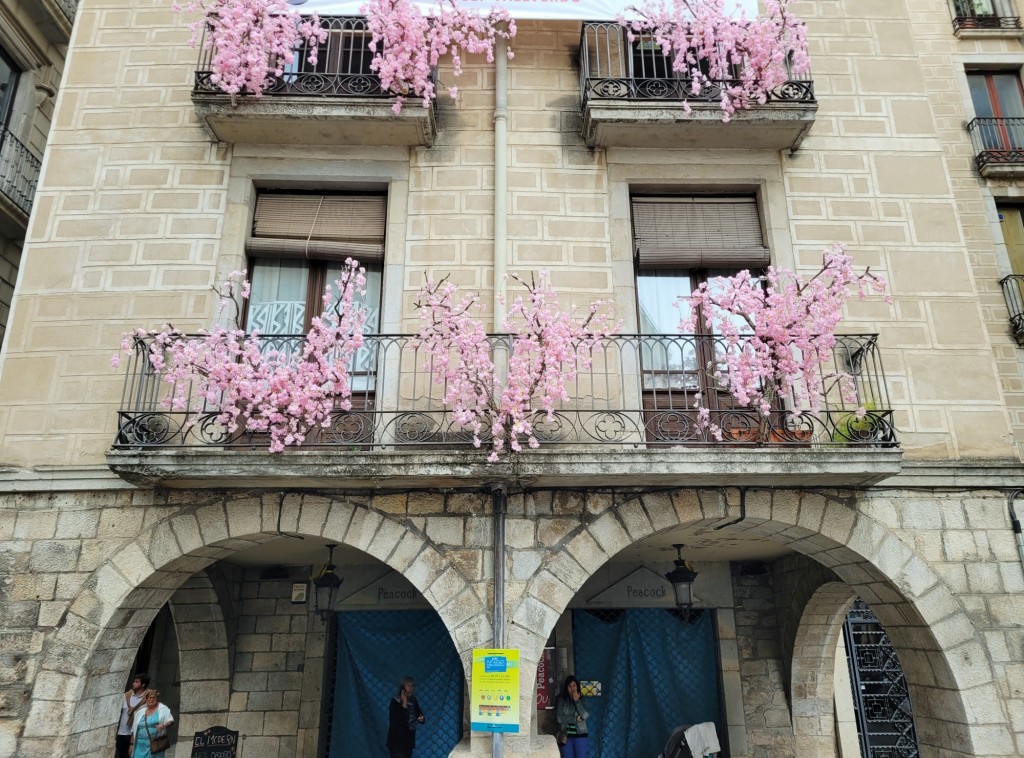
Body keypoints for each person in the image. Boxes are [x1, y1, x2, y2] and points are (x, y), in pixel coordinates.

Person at [386, 675, 426, 758]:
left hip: (409, 739)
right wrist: (404, 704)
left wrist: (421, 718)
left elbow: (419, 714)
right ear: (403, 687)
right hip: (397, 739)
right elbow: (395, 720)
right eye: (408, 685)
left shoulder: (413, 700)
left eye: (412, 685)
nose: (411, 688)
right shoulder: (395, 701)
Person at [128, 690, 174, 758]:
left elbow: (171, 721)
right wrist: (131, 745)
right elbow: (134, 730)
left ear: (157, 699)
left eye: (153, 697)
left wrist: (163, 725)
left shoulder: (163, 709)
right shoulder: (140, 712)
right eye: (149, 697)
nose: (151, 699)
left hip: (155, 745)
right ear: (146, 699)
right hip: (139, 745)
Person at [115, 673, 149, 758]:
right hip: (122, 733)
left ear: (143, 684)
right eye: (134, 681)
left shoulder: (147, 699)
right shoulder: (126, 696)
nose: (133, 684)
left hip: (137, 735)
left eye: (136, 682)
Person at [556, 675, 589, 758]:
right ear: (566, 688)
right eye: (570, 686)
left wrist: (577, 701)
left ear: (577, 686)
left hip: (580, 735)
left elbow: (585, 715)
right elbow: (559, 718)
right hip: (566, 736)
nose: (572, 688)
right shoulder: (562, 700)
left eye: (574, 685)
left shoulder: (583, 699)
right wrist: (575, 718)